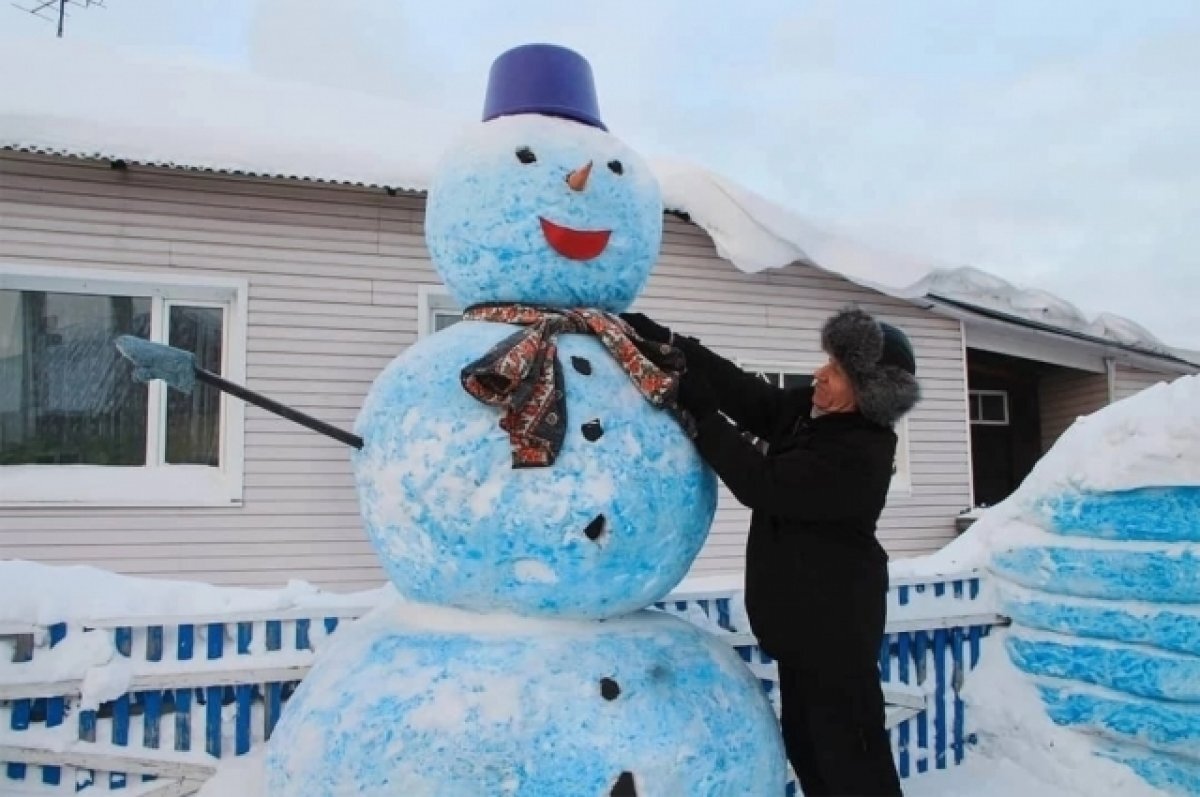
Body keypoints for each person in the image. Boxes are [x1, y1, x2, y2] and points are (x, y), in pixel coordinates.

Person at [622, 306, 919, 797]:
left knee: (852, 761)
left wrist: (702, 416)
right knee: (807, 749)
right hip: (802, 629)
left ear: (869, 393)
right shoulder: (812, 413)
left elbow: (764, 484)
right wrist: (674, 344)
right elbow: (746, 394)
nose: (821, 374)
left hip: (836, 632)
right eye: (827, 361)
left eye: (839, 372)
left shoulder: (860, 455)